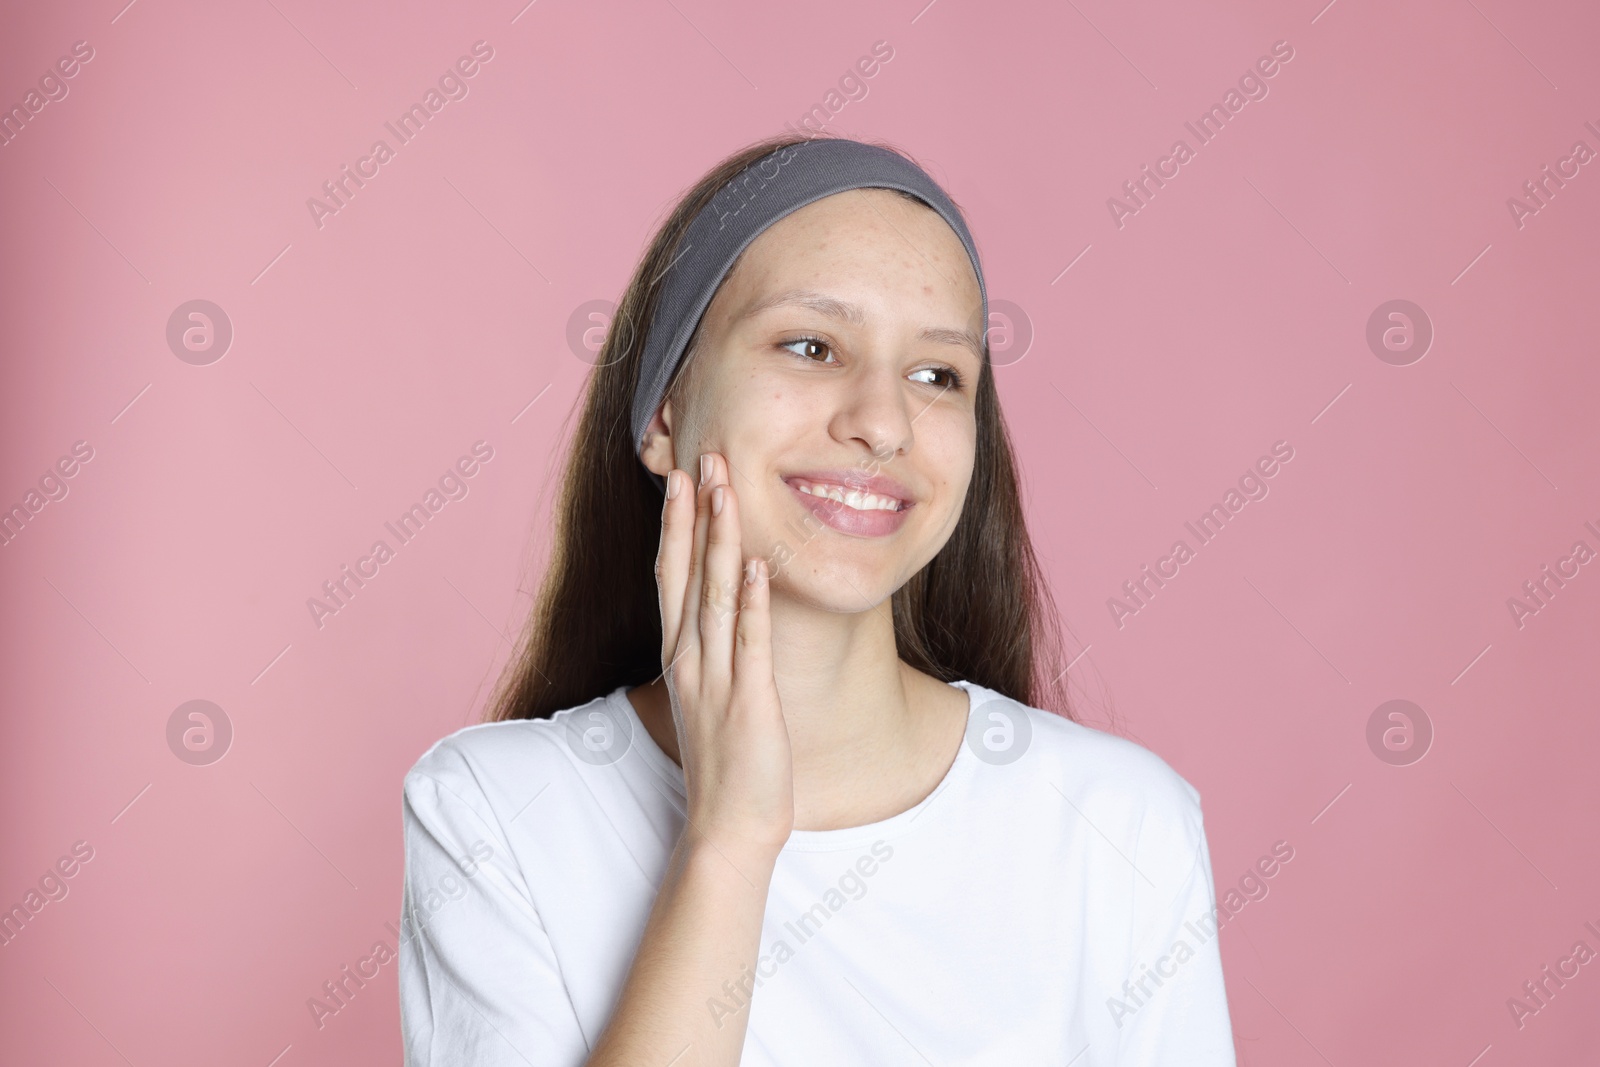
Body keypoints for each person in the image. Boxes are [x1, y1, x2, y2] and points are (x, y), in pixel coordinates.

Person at [397, 134, 1236, 1065]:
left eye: (937, 375)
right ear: (664, 413)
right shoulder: (494, 812)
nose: (882, 421)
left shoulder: (1122, 827)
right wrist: (728, 839)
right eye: (811, 345)